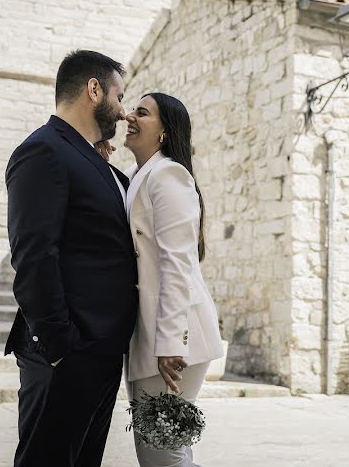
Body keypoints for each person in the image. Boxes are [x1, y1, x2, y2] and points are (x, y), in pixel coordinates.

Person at [3, 49, 137, 467]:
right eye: (118, 95)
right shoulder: (43, 151)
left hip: (99, 353)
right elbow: (34, 256)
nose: (123, 109)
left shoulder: (92, 159)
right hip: (66, 355)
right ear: (93, 90)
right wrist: (60, 346)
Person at [123, 92, 224, 467]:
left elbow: (177, 264)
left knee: (162, 456)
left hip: (175, 344)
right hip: (150, 338)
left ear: (165, 132)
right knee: (166, 452)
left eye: (142, 112)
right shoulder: (138, 175)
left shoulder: (168, 174)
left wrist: (169, 343)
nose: (129, 115)